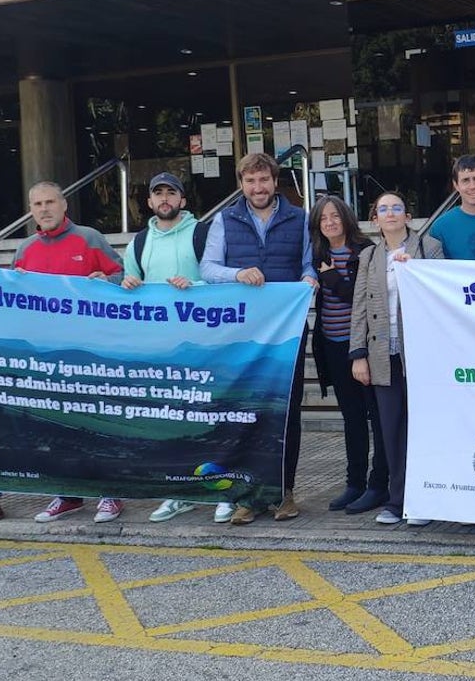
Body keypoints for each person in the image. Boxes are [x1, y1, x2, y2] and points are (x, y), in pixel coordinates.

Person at [200, 152, 318, 524]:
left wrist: (309, 278)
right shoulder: (224, 219)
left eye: (263, 180)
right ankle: (247, 496)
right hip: (244, 335)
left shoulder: (300, 219)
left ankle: (284, 492)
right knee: (245, 412)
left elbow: (308, 263)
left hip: (288, 333)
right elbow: (207, 268)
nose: (258, 187)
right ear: (241, 183)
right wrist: (236, 274)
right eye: (250, 181)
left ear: (274, 181)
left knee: (286, 415)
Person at [122, 172, 233, 524]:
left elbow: (219, 278)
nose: (165, 199)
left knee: (212, 418)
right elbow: (128, 286)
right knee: (171, 422)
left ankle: (224, 491)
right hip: (162, 351)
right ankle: (179, 493)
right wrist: (126, 284)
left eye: (172, 193)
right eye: (158, 194)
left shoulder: (202, 233)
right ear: (150, 202)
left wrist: (196, 284)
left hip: (205, 345)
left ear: (183, 200)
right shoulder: (138, 242)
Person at [13, 182, 125, 524]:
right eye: (37, 204)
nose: (44, 209)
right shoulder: (24, 249)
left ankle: (110, 494)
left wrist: (104, 281)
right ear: (31, 209)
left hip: (89, 349)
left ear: (64, 205)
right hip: (46, 354)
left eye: (50, 202)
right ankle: (67, 495)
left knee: (96, 421)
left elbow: (121, 275)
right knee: (58, 427)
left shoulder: (89, 238)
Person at [349, 192, 443, 526]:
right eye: (383, 209)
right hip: (381, 354)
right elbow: (359, 306)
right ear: (375, 218)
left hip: (418, 352)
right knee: (390, 429)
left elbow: (440, 292)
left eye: (397, 208)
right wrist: (358, 354)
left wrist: (415, 270)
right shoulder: (369, 256)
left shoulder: (428, 248)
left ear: (408, 215)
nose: (390, 214)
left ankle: (425, 500)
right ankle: (398, 500)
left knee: (421, 427)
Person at [309, 195, 389, 515]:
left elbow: (362, 298)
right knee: (351, 418)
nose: (329, 223)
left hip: (366, 347)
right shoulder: (317, 253)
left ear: (346, 218)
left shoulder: (365, 250)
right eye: (323, 218)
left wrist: (331, 278)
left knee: (378, 418)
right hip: (332, 345)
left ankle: (378, 483)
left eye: (335, 216)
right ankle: (354, 482)